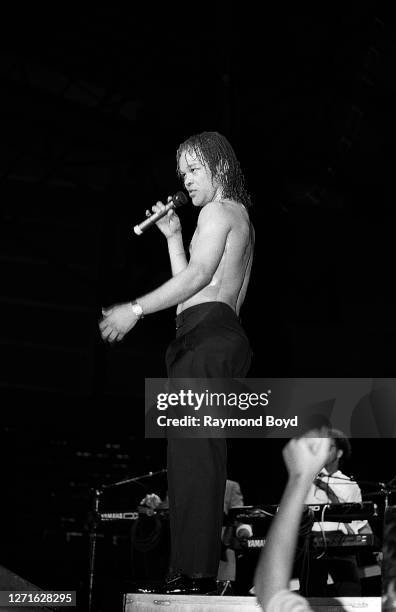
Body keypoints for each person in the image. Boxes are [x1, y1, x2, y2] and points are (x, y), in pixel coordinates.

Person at [99, 131, 254, 595]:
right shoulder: (229, 217)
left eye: (193, 168)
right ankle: (188, 568)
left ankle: (198, 573)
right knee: (186, 457)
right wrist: (172, 237)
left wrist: (136, 309)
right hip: (200, 332)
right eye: (182, 172)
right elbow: (193, 290)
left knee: (197, 457)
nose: (185, 180)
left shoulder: (220, 209)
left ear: (219, 166)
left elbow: (200, 278)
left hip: (208, 337)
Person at [254, 431, 331, 612]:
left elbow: (270, 593)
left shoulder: (342, 482)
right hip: (305, 545)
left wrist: (298, 478)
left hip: (330, 548)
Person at [299, 428, 373, 597]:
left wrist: (377, 549)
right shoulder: (306, 481)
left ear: (339, 453)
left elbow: (360, 523)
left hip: (343, 545)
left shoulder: (350, 485)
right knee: (311, 597)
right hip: (313, 545)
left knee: (351, 595)